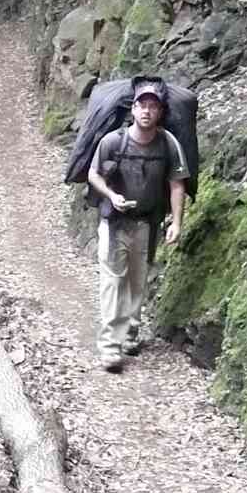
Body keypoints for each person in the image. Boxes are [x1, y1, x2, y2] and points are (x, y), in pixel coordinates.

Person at [86, 77, 189, 372]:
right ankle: (110, 347)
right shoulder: (112, 142)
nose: (146, 111)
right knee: (113, 281)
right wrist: (111, 195)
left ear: (160, 112)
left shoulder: (169, 144)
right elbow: (94, 175)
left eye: (152, 106)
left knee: (136, 283)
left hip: (146, 224)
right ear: (132, 109)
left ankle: (130, 334)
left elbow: (177, 185)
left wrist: (176, 223)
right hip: (114, 221)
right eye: (141, 105)